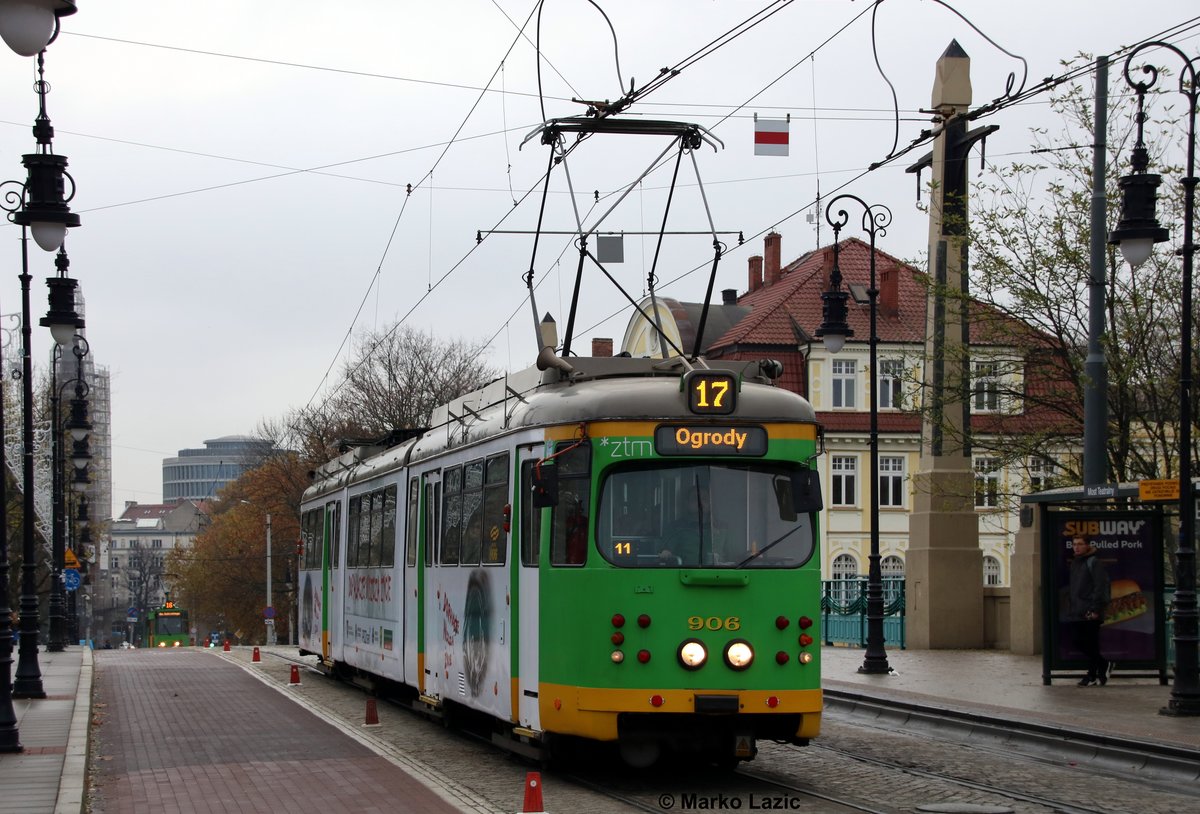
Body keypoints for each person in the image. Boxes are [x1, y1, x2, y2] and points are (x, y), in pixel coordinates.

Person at [1066, 535, 1111, 686]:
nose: (1076, 547)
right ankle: (1099, 668)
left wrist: (1096, 609)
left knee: (1088, 642)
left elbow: (1101, 587)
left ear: (1087, 546)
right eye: (1074, 544)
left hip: (1090, 611)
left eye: (1080, 544)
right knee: (1083, 642)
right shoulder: (1075, 563)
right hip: (1077, 610)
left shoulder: (1094, 562)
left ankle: (1094, 672)